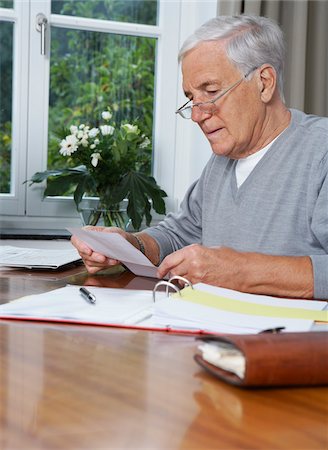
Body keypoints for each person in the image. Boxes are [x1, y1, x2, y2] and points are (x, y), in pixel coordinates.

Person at [71, 15, 328, 300]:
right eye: (191, 98)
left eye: (211, 91)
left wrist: (240, 272)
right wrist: (129, 245)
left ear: (264, 83)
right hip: (214, 333)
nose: (196, 114)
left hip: (295, 341)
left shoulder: (321, 151)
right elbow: (179, 234)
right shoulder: (222, 162)